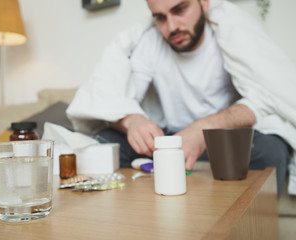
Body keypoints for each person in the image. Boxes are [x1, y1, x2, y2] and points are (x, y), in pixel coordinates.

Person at [67, 0, 296, 197]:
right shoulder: (150, 42)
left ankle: (249, 222)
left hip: (223, 140)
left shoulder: (230, 36)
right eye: (160, 17)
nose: (171, 27)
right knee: (106, 141)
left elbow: (264, 98)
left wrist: (204, 129)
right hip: (171, 140)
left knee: (271, 149)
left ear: (203, 2)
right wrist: (132, 121)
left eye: (180, 10)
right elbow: (116, 101)